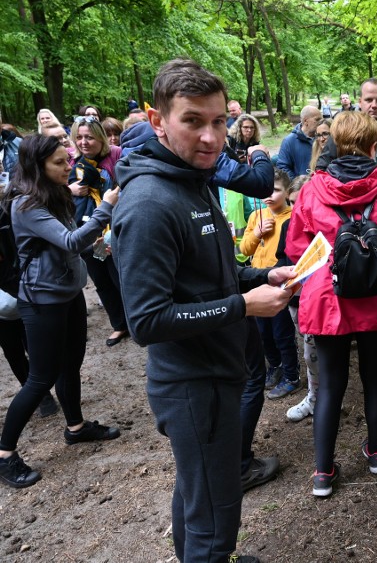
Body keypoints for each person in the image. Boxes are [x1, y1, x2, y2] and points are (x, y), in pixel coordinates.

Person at [112, 58, 293, 563]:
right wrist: (243, 306)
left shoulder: (194, 178)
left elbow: (206, 275)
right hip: (194, 385)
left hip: (216, 371)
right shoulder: (150, 202)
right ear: (157, 121)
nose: (211, 137)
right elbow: (147, 321)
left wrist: (263, 276)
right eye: (193, 120)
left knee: (198, 497)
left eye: (219, 122)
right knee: (216, 517)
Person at [285, 111, 377, 497]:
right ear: (374, 146)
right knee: (375, 376)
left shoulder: (313, 189)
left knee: (329, 386)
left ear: (334, 144)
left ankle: (323, 474)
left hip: (330, 298)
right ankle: (376, 453)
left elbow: (296, 246)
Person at [0, 134, 122, 489]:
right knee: (40, 379)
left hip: (69, 293)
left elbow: (72, 239)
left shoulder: (55, 195)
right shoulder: (26, 206)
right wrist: (106, 209)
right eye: (59, 163)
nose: (68, 167)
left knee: (70, 364)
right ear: (37, 167)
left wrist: (97, 240)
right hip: (42, 301)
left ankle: (76, 427)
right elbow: (71, 241)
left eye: (66, 160)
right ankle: (5, 454)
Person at [240, 169, 300, 400]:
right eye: (266, 189)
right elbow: (244, 250)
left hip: (280, 285)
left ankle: (291, 375)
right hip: (256, 282)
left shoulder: (291, 217)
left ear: (287, 192)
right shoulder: (257, 216)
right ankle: (274, 366)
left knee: (281, 332)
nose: (269, 194)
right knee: (262, 331)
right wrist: (256, 233)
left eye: (275, 190)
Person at [69, 116, 128, 347]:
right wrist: (69, 189)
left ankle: (135, 320)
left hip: (111, 230)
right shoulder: (73, 164)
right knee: (101, 279)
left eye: (89, 137)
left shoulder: (114, 158)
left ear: (100, 138)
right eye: (80, 137)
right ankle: (119, 324)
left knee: (118, 277)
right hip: (87, 232)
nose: (84, 142)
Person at [274, 175, 320, 422]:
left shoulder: (324, 224)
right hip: (296, 299)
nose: (296, 209)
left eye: (302, 201)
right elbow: (283, 257)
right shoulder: (287, 225)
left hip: (320, 300)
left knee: (314, 350)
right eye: (292, 202)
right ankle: (316, 395)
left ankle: (319, 397)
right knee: (306, 347)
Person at [316, 79, 377, 171]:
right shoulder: (343, 131)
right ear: (360, 102)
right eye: (369, 100)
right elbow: (322, 168)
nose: (374, 105)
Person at [276, 105, 322, 179]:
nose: (321, 122)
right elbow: (282, 167)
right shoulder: (289, 141)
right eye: (317, 119)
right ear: (305, 121)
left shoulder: (323, 139)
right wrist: (297, 184)